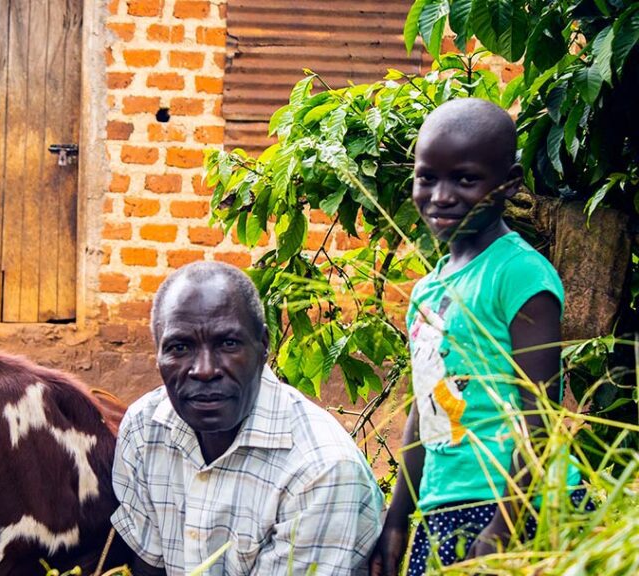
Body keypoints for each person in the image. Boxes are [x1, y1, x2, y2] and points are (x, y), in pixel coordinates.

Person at [370, 98, 582, 576]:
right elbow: (425, 411)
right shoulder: (426, 290)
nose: (441, 196)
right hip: (444, 506)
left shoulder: (520, 274)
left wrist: (501, 531)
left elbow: (540, 419)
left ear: (508, 182)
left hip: (513, 506)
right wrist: (397, 523)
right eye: (427, 177)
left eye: (465, 179)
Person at [111, 261, 384, 576]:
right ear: (157, 354)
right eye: (180, 347)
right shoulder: (145, 429)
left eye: (228, 343)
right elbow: (149, 568)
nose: (204, 370)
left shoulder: (320, 470)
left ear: (264, 345)